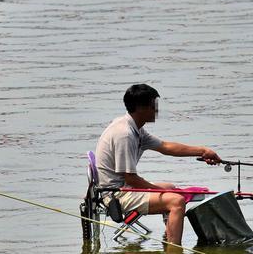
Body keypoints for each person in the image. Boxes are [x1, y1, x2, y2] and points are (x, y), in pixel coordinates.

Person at [95, 84, 221, 244]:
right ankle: (175, 253)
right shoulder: (124, 134)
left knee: (171, 188)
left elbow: (166, 147)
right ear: (141, 108)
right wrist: (157, 189)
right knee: (177, 201)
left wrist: (203, 151)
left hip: (122, 188)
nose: (156, 110)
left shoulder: (134, 127)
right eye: (153, 106)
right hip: (115, 195)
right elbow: (131, 179)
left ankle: (169, 237)